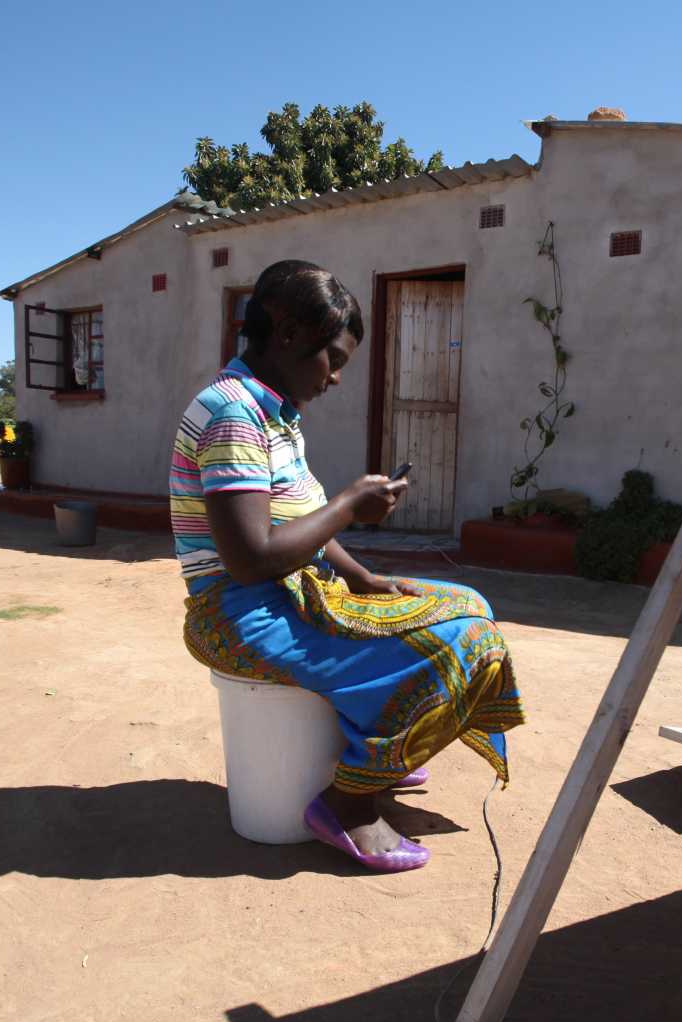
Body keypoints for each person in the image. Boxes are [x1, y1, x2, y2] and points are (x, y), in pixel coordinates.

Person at [172, 260, 525, 872]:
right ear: (285, 335)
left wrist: (361, 578)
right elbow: (251, 559)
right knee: (461, 642)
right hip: (236, 612)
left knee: (470, 607)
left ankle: (385, 745)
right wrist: (348, 507)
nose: (336, 377)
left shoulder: (272, 411)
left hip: (285, 596)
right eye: (332, 359)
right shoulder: (234, 416)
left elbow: (297, 520)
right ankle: (350, 801)